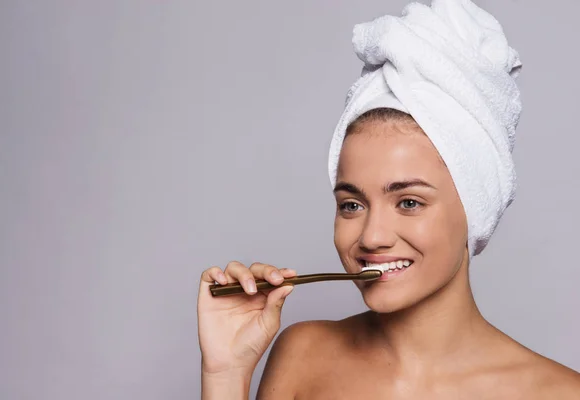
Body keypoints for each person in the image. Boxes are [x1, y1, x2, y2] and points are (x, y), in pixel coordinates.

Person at [197, 1, 580, 399]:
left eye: (409, 202)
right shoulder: (302, 356)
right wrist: (225, 373)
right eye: (352, 205)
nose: (372, 237)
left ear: (475, 210)